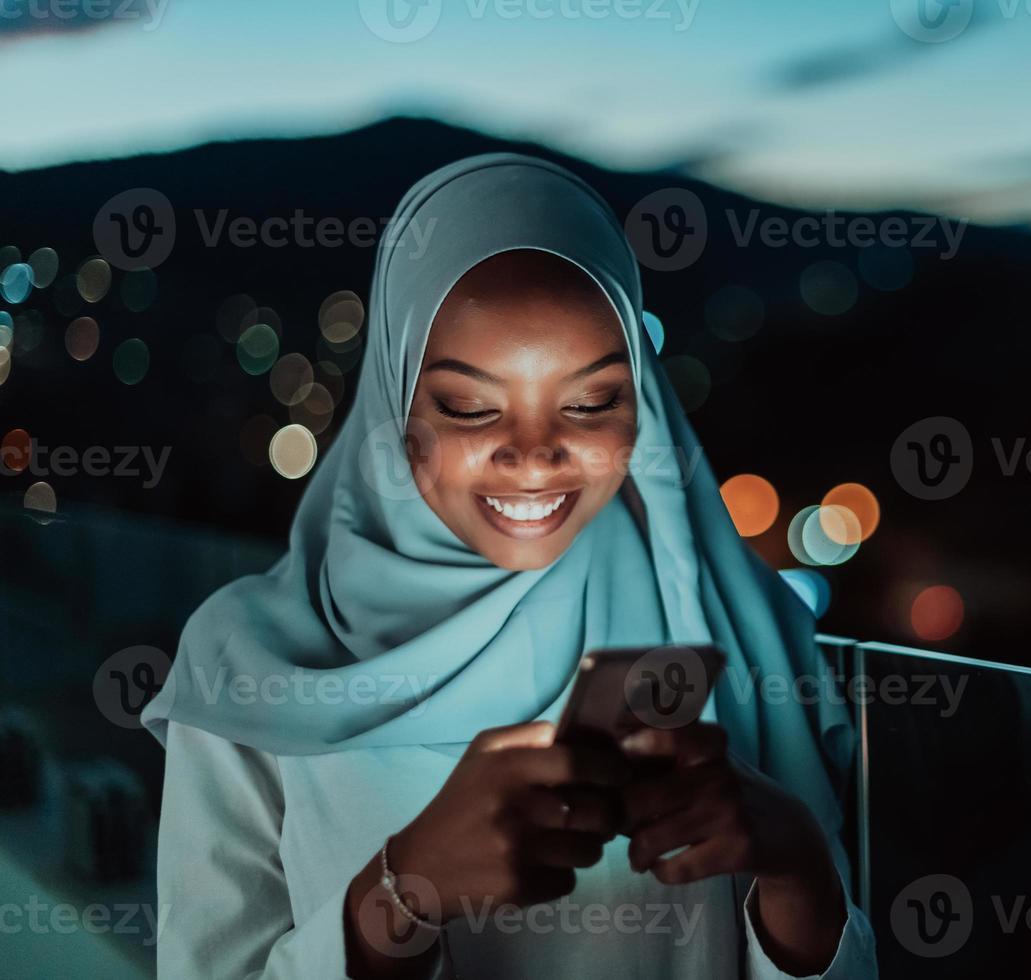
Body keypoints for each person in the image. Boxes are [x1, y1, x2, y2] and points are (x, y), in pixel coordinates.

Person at [142, 155, 877, 979]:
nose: (533, 458)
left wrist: (797, 870)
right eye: (469, 406)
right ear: (395, 405)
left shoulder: (735, 623)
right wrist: (398, 897)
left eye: (592, 402)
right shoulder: (250, 658)